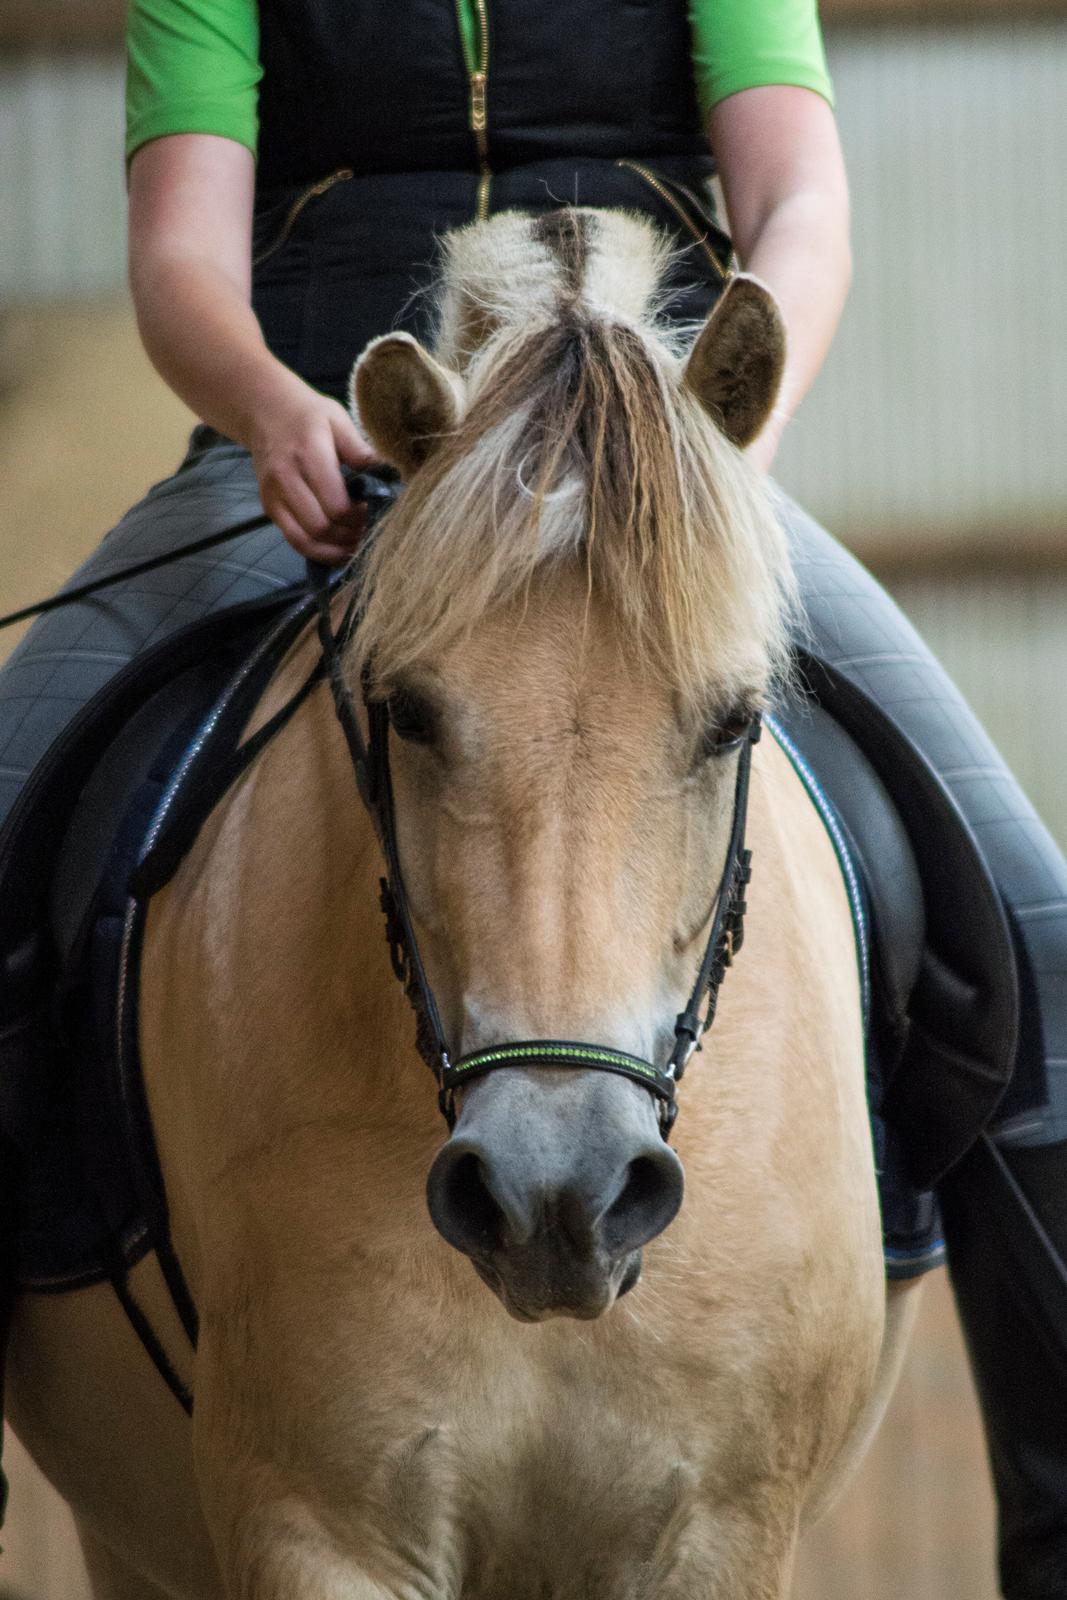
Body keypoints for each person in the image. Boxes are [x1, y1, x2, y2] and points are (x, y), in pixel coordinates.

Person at [0, 4, 1065, 1593]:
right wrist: (274, 410)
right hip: (342, 442)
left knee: (1038, 921)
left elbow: (802, 202)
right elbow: (179, 262)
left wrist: (724, 447)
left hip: (666, 465)